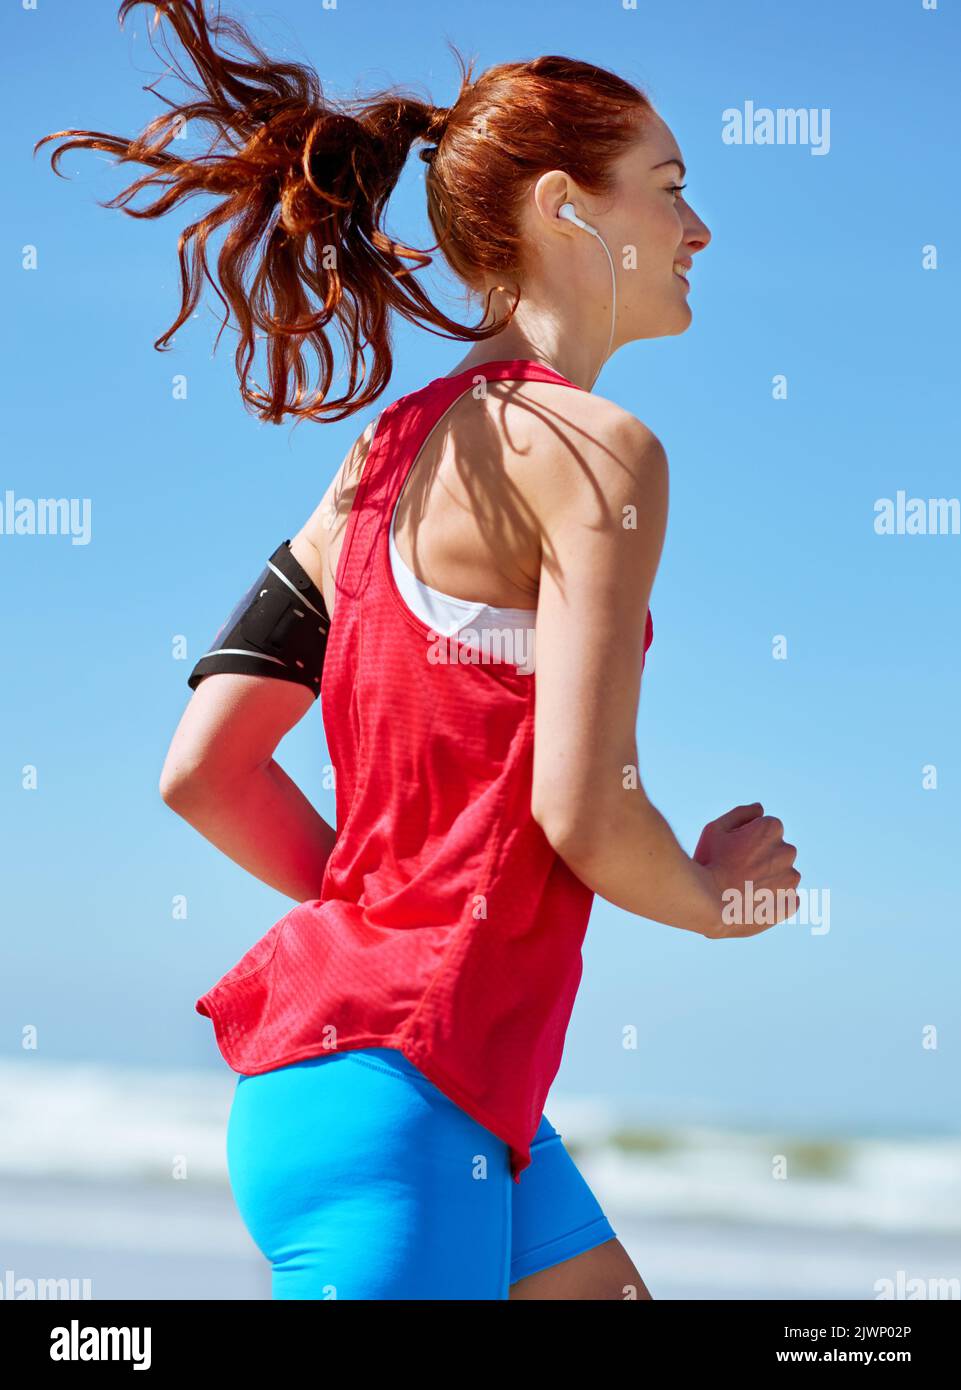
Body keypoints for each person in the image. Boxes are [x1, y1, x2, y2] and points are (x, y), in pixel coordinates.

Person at [36, 0, 801, 1300]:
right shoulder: (600, 454)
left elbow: (205, 768)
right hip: (409, 1102)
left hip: (398, 1088)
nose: (697, 227)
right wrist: (721, 900)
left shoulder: (377, 460)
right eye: (668, 189)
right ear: (568, 207)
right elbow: (583, 809)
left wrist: (390, 914)